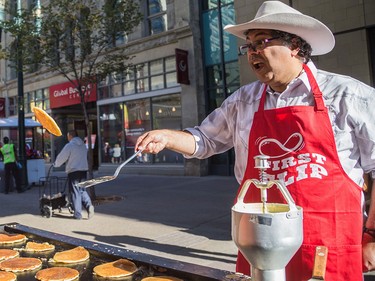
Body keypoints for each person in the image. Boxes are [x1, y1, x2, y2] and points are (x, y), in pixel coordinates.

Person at [135, 1, 375, 280]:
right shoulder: (243, 101)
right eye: (248, 46)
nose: (252, 53)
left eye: (261, 42)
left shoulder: (349, 96)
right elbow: (204, 140)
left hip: (327, 247)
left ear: (295, 45)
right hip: (259, 249)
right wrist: (167, 136)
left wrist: (372, 235)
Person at [54, 130, 94, 220]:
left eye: (68, 136)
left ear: (70, 136)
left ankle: (78, 214)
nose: (68, 138)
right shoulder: (83, 145)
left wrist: (56, 164)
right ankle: (89, 206)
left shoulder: (70, 145)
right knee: (82, 190)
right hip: (83, 171)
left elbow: (62, 157)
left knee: (75, 192)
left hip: (74, 171)